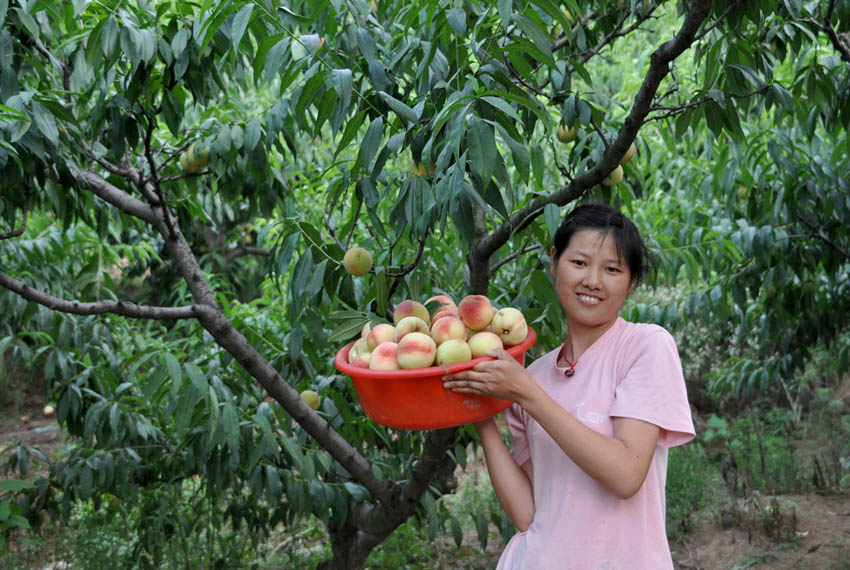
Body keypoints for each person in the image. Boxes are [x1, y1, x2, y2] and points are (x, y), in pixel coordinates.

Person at [443, 203, 695, 570]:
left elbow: (626, 475)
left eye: (612, 269)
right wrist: (481, 410)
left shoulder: (644, 347)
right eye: (579, 263)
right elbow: (529, 515)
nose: (592, 280)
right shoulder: (533, 377)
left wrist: (526, 393)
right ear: (554, 263)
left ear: (632, 282)